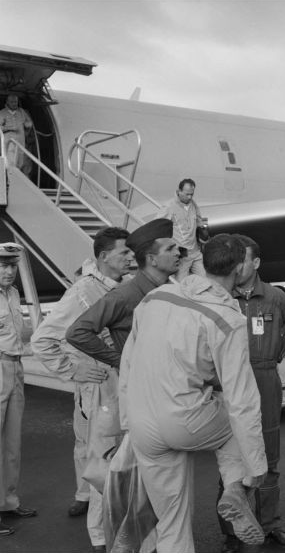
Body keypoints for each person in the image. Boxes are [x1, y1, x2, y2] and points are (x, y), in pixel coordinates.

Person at [119, 234, 268, 552]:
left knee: (171, 523)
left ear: (203, 261)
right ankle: (235, 489)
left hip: (142, 421)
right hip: (185, 419)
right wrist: (256, 468)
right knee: (233, 419)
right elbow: (243, 400)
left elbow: (128, 361)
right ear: (240, 267)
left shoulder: (155, 298)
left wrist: (125, 420)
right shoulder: (228, 319)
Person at [30, 227, 132, 550]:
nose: (131, 257)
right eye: (124, 253)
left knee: (124, 466)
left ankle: (123, 535)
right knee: (104, 466)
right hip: (100, 388)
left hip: (123, 386)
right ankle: (100, 540)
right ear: (103, 257)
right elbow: (42, 340)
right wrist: (75, 370)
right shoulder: (83, 291)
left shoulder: (124, 287)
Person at [217, 235, 285, 552]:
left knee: (269, 456)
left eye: (243, 260)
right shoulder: (221, 298)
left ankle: (269, 526)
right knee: (232, 459)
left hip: (265, 379)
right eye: (234, 261)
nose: (237, 267)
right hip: (232, 382)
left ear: (255, 263)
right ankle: (232, 532)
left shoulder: (275, 297)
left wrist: (278, 352)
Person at [65, 218, 180, 369]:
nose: (178, 253)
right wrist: (124, 361)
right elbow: (77, 333)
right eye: (170, 249)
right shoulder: (124, 295)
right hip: (144, 385)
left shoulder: (173, 291)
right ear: (152, 259)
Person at [0, 242, 37, 537]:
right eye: (3, 265)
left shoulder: (12, 294)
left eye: (12, 265)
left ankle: (7, 502)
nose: (9, 271)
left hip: (15, 366)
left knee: (12, 443)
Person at [156, 178, 208, 279]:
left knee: (206, 280)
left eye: (191, 194)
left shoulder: (193, 204)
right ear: (179, 191)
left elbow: (199, 221)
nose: (189, 197)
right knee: (180, 285)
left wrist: (203, 232)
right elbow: (157, 226)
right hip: (182, 255)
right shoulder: (169, 206)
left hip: (196, 253)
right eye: (187, 194)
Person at [0, 94, 33, 176]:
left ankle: (16, 179)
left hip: (21, 141)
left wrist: (28, 124)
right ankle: (9, 179)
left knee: (20, 161)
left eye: (16, 102)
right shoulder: (2, 113)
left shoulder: (21, 111)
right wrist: (9, 127)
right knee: (10, 162)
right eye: (12, 102)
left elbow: (29, 122)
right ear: (7, 102)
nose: (14, 104)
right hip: (9, 142)